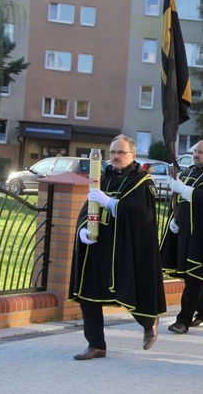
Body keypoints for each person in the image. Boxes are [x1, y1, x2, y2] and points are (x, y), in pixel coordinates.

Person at [69, 134, 165, 360]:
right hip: (99, 244)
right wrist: (83, 229)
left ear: (132, 155)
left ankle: (148, 320)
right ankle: (96, 344)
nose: (116, 156)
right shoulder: (102, 178)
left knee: (129, 288)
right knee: (89, 292)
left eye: (121, 152)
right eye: (112, 152)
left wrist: (111, 203)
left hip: (125, 247)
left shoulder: (143, 181)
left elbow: (142, 215)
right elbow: (88, 207)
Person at [161, 140, 203, 334]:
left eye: (201, 152)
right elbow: (178, 201)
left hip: (202, 236)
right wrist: (173, 220)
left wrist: (182, 188)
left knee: (193, 276)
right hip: (184, 233)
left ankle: (182, 321)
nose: (196, 155)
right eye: (195, 152)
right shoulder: (187, 172)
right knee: (190, 275)